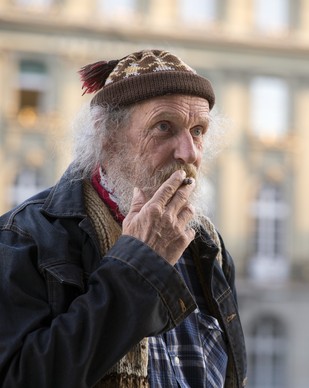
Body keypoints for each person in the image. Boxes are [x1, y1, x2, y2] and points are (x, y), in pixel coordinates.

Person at [0, 49, 247, 387]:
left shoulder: (206, 244)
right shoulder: (23, 237)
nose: (189, 152)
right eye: (164, 126)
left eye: (198, 131)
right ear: (107, 136)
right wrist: (139, 265)